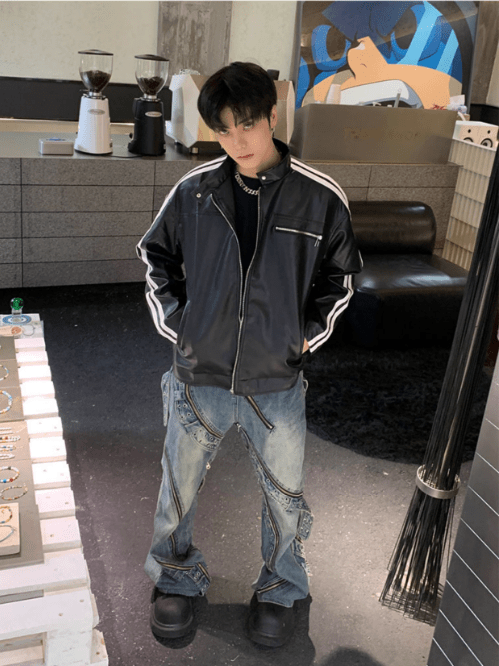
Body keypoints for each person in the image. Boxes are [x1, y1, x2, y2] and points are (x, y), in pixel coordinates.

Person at [136, 61, 362, 648]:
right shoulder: (195, 191)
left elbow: (340, 279)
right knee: (177, 486)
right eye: (223, 129)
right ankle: (175, 576)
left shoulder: (320, 197)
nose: (237, 140)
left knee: (285, 495)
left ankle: (281, 586)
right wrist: (181, 327)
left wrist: (302, 337)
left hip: (276, 379)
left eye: (247, 124)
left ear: (272, 116)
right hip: (198, 374)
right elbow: (155, 256)